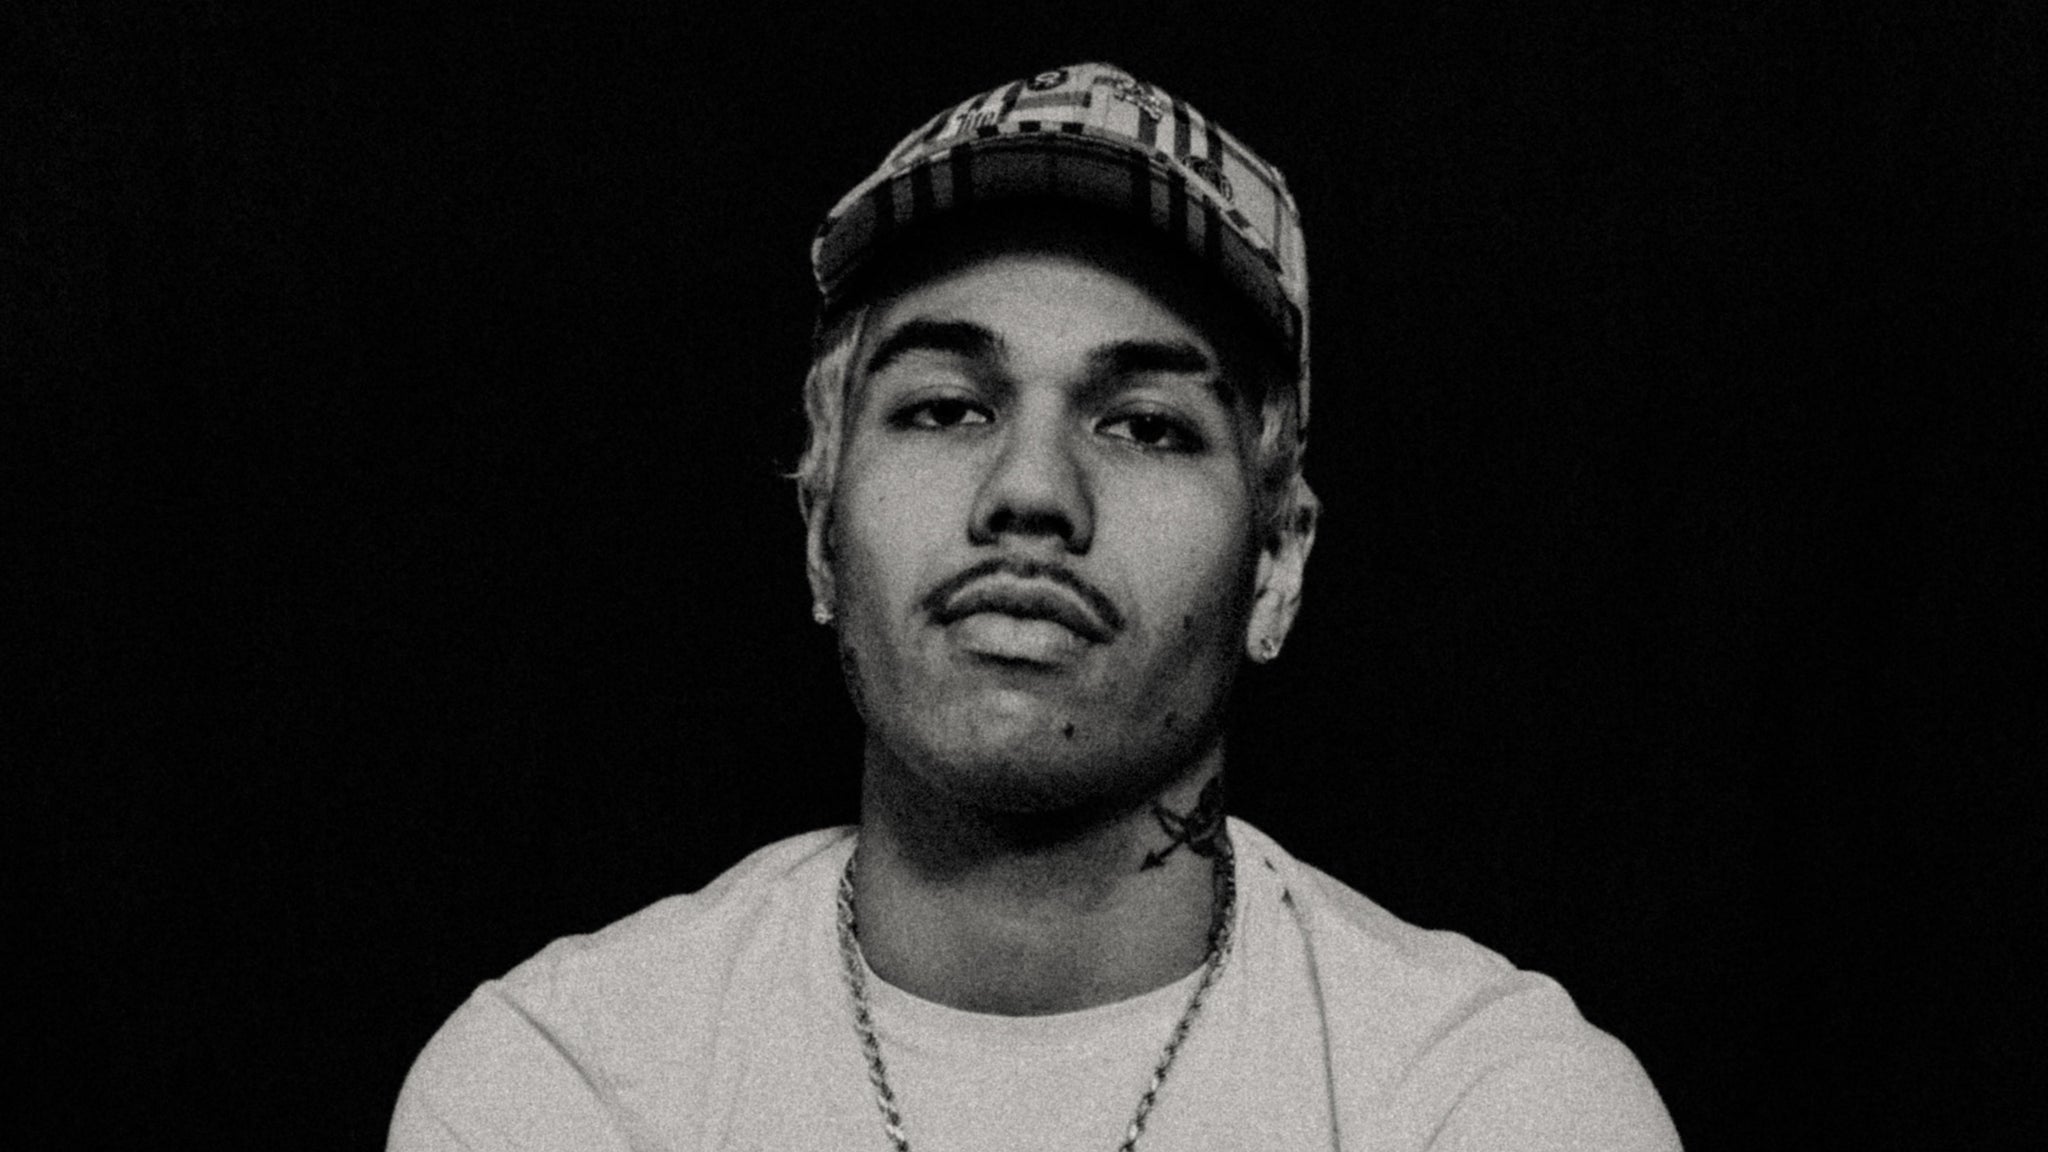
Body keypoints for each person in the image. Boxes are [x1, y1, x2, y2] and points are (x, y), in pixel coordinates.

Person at [388, 61, 1680, 1151]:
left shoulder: (1490, 1101)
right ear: (821, 532)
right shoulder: (568, 1081)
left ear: (1278, 562)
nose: (1031, 492)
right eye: (947, 408)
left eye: (1146, 424)